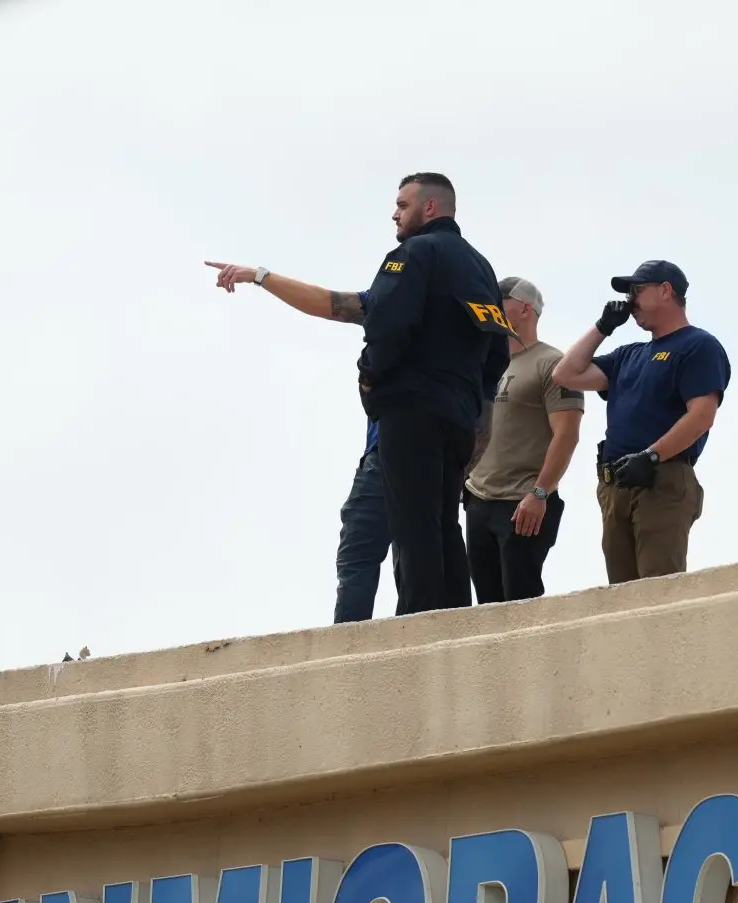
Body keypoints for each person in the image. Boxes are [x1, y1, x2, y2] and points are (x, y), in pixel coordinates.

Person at [202, 259, 396, 623]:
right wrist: (259, 276)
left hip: (394, 451)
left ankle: (351, 648)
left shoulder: (400, 299)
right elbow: (326, 302)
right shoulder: (410, 304)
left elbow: (328, 303)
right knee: (414, 553)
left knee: (368, 550)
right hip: (428, 453)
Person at [356, 172, 510, 616]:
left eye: (402, 205)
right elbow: (498, 351)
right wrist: (476, 402)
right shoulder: (481, 268)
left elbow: (387, 324)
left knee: (413, 523)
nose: (394, 214)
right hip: (459, 417)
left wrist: (369, 377)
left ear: (430, 208)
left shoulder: (413, 253)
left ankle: (418, 623)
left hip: (411, 411)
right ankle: (455, 619)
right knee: (444, 523)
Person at [551, 260, 729, 584]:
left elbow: (702, 416)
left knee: (657, 589)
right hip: (616, 484)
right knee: (622, 595)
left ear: (666, 291)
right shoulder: (627, 355)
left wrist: (651, 456)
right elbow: (565, 375)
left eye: (637, 291)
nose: (630, 301)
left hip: (661, 479)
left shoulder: (698, 345)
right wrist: (603, 327)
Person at [461, 277, 584, 603]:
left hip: (523, 504)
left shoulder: (554, 364)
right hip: (478, 499)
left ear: (526, 309)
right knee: (486, 608)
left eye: (500, 299)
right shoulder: (485, 365)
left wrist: (540, 493)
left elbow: (567, 434)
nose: (492, 305)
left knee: (521, 605)